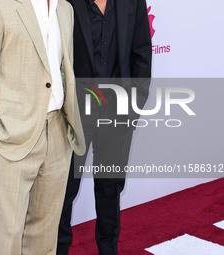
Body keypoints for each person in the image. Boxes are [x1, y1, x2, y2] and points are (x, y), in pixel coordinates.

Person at [0, 0, 85, 254]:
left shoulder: (65, 8)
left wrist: (66, 126)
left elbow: (63, 69)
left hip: (57, 133)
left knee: (45, 235)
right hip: (13, 138)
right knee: (7, 239)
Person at [57, 0, 152, 254]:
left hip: (117, 111)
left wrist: (135, 104)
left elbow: (142, 50)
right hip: (76, 112)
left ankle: (108, 250)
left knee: (110, 188)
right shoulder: (65, 2)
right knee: (64, 191)